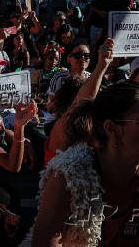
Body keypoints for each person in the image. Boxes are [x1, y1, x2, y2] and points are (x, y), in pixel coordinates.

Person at [32, 41, 139, 246]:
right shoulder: (70, 175)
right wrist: (101, 67)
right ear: (111, 128)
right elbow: (79, 105)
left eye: (87, 57)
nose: (83, 60)